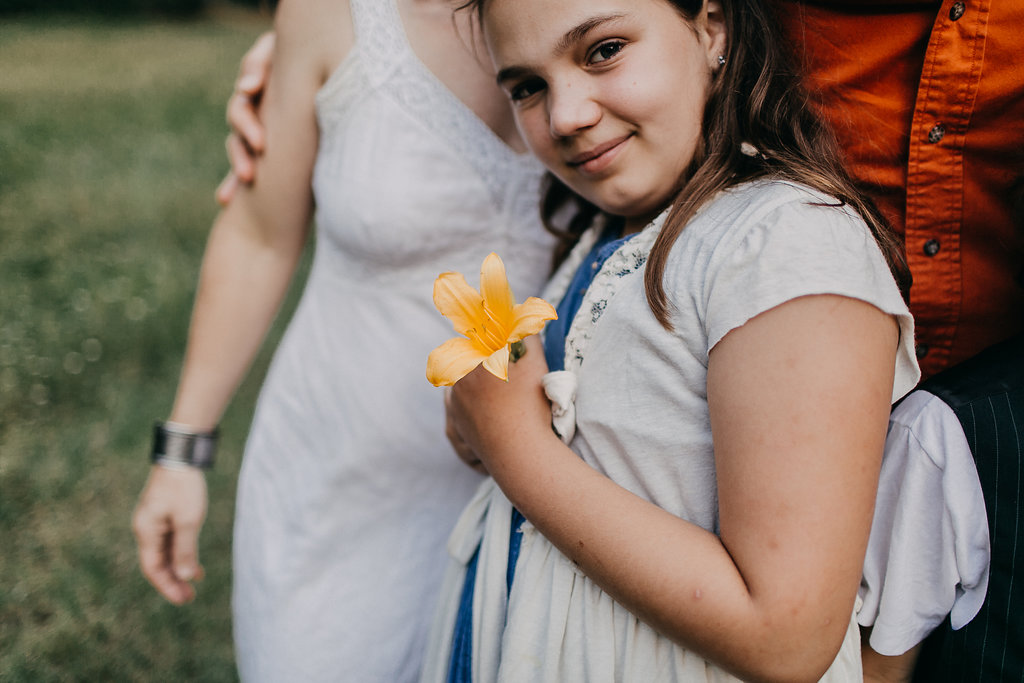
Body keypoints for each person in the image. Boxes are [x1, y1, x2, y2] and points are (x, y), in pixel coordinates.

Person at [421, 0, 920, 680]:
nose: (566, 114)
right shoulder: (612, 229)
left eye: (603, 51)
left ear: (711, 27)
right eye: (527, 87)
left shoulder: (785, 246)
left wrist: (513, 445)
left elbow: (785, 635)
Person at [130, 0, 556, 680]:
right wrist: (182, 448)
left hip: (551, 510)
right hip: (339, 495)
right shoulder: (329, 15)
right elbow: (259, 236)